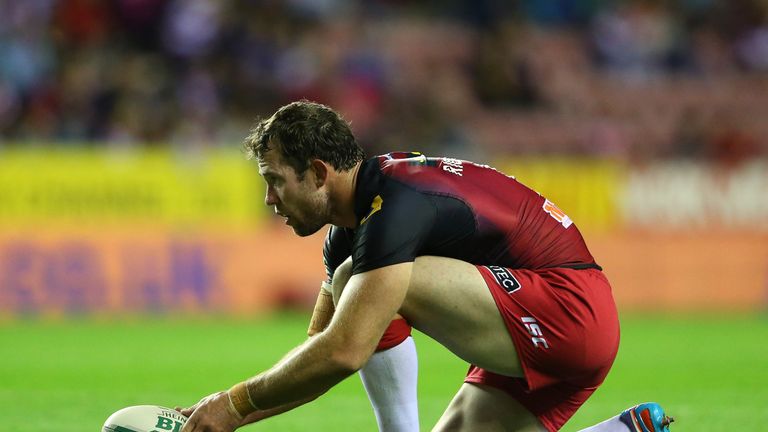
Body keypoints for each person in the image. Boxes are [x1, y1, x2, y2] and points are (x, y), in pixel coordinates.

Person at [178, 101, 674, 432]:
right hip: (535, 319)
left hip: (567, 309)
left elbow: (345, 351)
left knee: (362, 282)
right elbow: (319, 355)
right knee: (360, 286)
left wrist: (233, 404)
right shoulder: (354, 227)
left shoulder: (393, 209)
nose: (268, 199)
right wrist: (222, 413)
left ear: (319, 173)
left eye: (275, 181)